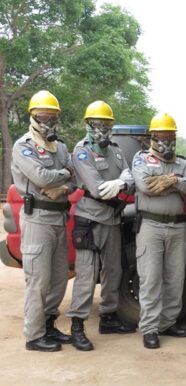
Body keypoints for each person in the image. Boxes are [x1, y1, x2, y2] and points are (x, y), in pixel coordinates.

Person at [66, 100, 136, 351]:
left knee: (113, 271)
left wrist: (120, 184)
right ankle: (77, 325)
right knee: (86, 274)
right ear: (88, 124)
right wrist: (121, 183)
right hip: (91, 219)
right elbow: (97, 188)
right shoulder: (81, 151)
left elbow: (130, 177)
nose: (102, 128)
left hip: (113, 219)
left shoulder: (116, 150)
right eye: (97, 123)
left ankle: (108, 316)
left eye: (106, 123)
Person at [11, 90, 75, 351]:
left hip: (58, 215)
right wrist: (61, 176)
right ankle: (34, 335)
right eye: (43, 116)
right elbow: (41, 178)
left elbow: (74, 176)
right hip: (37, 218)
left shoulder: (59, 147)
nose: (48, 120)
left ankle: (49, 323)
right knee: (38, 280)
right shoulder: (23, 146)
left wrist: (60, 183)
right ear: (33, 116)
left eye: (52, 116)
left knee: (59, 278)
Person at [131, 112, 186, 349]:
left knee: (175, 278)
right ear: (152, 137)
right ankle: (150, 328)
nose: (166, 141)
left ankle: (168, 322)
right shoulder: (141, 159)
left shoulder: (181, 162)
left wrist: (174, 182)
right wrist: (174, 183)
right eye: (161, 136)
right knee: (151, 279)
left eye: (170, 136)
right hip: (151, 226)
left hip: (177, 226)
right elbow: (146, 186)